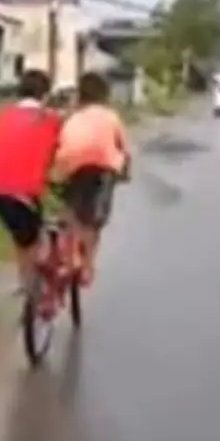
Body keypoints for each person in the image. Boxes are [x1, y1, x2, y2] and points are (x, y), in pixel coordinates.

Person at [0, 69, 62, 291]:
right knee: (35, 236)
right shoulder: (50, 120)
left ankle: (25, 285)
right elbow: (59, 153)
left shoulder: (1, 117)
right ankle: (34, 285)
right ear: (45, 95)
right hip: (27, 190)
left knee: (21, 237)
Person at [54, 71, 130, 286]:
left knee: (69, 210)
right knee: (94, 222)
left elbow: (63, 142)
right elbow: (123, 147)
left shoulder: (73, 116)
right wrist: (124, 171)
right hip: (102, 168)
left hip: (71, 166)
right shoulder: (110, 116)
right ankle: (87, 267)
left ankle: (71, 259)